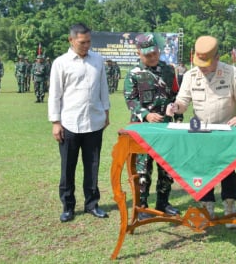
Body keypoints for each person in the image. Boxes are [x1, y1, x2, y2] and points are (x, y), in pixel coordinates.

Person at [166, 35, 236, 228]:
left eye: (206, 63)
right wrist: (174, 107)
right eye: (199, 62)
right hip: (201, 131)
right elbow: (183, 102)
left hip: (225, 131)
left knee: (228, 170)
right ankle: (207, 207)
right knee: (203, 170)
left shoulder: (232, 73)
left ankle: (229, 208)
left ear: (217, 57)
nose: (202, 67)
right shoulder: (190, 75)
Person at [48, 23, 111, 223]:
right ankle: (68, 206)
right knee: (68, 167)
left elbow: (103, 88)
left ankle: (92, 204)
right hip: (69, 122)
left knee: (92, 165)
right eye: (82, 42)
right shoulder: (61, 63)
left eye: (89, 42)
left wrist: (106, 113)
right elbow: (55, 94)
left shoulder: (98, 60)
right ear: (71, 40)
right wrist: (55, 122)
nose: (86, 46)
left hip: (94, 121)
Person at [124, 33, 182, 219]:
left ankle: (163, 203)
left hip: (166, 127)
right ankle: (142, 206)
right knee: (143, 168)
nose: (153, 57)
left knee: (166, 168)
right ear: (139, 53)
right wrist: (146, 114)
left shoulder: (168, 70)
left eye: (155, 53)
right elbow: (130, 99)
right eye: (148, 54)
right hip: (143, 129)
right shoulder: (134, 74)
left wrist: (176, 111)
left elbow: (175, 95)